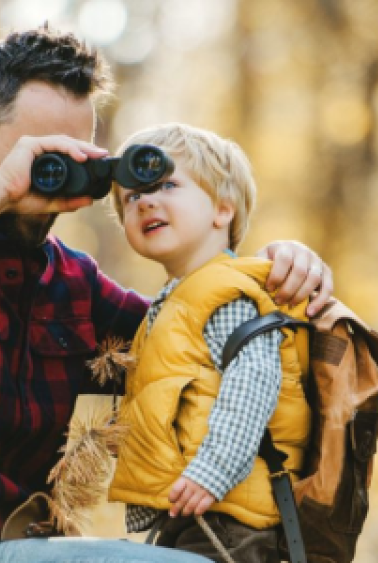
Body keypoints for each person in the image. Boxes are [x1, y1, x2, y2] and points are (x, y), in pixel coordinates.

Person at [0, 28, 336, 562]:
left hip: (15, 550)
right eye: (37, 154)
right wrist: (3, 186)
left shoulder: (73, 286)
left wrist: (278, 275)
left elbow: (199, 345)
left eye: (70, 156)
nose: (49, 174)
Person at [103, 123, 313, 562]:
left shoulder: (227, 293)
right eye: (131, 197)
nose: (145, 202)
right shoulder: (178, 302)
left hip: (233, 521)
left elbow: (254, 383)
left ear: (222, 210)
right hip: (199, 513)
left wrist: (214, 470)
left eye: (165, 184)